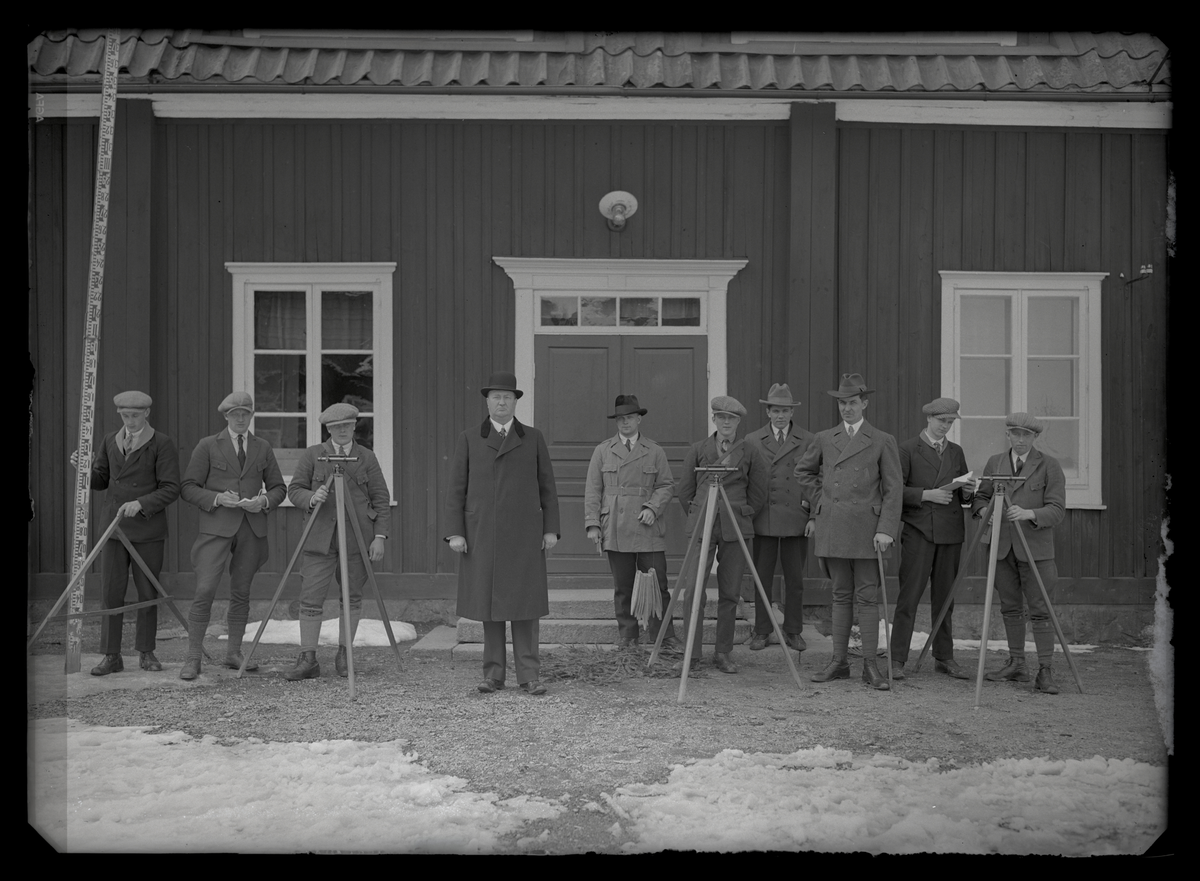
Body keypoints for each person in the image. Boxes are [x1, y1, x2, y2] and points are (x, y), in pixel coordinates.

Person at [444, 371, 561, 696]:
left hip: (524, 536)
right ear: (487, 401)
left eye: (507, 397)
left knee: (525, 607)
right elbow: (456, 489)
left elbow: (547, 487)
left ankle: (529, 675)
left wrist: (551, 528)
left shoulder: (533, 438)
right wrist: (455, 532)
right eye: (496, 397)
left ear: (515, 402)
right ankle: (493, 674)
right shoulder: (470, 438)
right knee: (490, 608)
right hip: (483, 534)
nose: (501, 402)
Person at [794, 373, 902, 690]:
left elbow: (894, 489)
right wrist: (823, 502)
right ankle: (839, 663)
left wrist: (886, 529)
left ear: (864, 403)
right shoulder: (825, 438)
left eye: (852, 402)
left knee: (867, 597)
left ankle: (870, 665)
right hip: (834, 527)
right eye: (842, 403)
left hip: (869, 530)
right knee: (840, 595)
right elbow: (803, 471)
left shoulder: (882, 440)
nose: (847, 408)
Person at [70, 391, 181, 675]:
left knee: (147, 593)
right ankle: (111, 655)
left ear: (146, 413)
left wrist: (141, 503)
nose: (130, 421)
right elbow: (101, 480)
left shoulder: (161, 443)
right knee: (111, 592)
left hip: (147, 529)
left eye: (135, 415)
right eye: (125, 416)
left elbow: (171, 488)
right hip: (114, 529)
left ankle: (146, 652)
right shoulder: (110, 440)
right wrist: (83, 468)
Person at [179, 392, 287, 680]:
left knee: (242, 591)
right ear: (226, 416)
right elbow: (188, 487)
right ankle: (193, 657)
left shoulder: (263, 447)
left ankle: (234, 653)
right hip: (215, 528)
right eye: (235, 414)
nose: (240, 418)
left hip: (251, 528)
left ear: (251, 415)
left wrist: (263, 501)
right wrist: (216, 498)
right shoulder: (208, 445)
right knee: (205, 590)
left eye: (245, 413)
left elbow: (278, 488)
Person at [283, 403, 391, 681]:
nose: (342, 431)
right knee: (310, 596)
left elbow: (381, 499)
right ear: (328, 429)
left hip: (357, 539)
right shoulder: (313, 455)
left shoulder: (367, 457)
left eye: (347, 425)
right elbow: (294, 490)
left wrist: (379, 537)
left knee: (351, 596)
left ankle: (345, 656)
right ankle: (308, 658)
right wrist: (311, 497)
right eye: (336, 427)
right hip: (319, 538)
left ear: (354, 426)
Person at [971, 412, 1067, 694]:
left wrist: (1029, 513)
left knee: (1041, 609)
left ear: (1035, 437)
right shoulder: (995, 462)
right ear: (1008, 435)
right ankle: (1017, 664)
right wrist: (984, 512)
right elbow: (981, 497)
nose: (1021, 440)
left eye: (1027, 435)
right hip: (1001, 549)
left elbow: (1057, 509)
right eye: (1016, 434)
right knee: (1010, 607)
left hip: (1036, 550)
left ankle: (1045, 670)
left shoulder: (1049, 465)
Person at [675, 396, 769, 674]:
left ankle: (723, 652)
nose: (726, 423)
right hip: (701, 526)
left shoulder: (750, 451)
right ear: (714, 419)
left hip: (735, 527)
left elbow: (758, 493)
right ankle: (692, 654)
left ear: (738, 422)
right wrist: (700, 513)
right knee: (693, 591)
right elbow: (685, 491)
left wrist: (740, 513)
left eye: (732, 418)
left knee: (730, 593)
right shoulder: (698, 449)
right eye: (721, 417)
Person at [890, 397, 976, 680]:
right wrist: (926, 495)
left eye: (950, 422)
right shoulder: (906, 449)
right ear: (928, 418)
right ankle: (897, 659)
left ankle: (944, 657)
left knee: (945, 599)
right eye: (941, 421)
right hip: (919, 532)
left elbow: (964, 498)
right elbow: (894, 491)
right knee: (909, 597)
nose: (945, 427)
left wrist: (968, 491)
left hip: (950, 533)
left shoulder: (956, 451)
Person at [584, 394, 677, 649]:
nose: (625, 423)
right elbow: (593, 490)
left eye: (630, 418)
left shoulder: (654, 450)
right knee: (623, 585)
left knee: (658, 583)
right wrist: (593, 524)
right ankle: (628, 636)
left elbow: (666, 485)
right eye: (620, 419)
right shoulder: (603, 450)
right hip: (615, 524)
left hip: (648, 525)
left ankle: (663, 636)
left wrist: (653, 508)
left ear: (639, 419)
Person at [743, 383, 814, 655]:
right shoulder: (752, 439)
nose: (780, 416)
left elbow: (815, 480)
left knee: (795, 579)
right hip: (764, 517)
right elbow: (747, 478)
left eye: (785, 411)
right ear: (768, 412)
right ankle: (762, 629)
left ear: (792, 412)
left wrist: (813, 515)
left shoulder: (807, 439)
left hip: (796, 517)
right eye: (776, 411)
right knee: (762, 577)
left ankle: (793, 630)